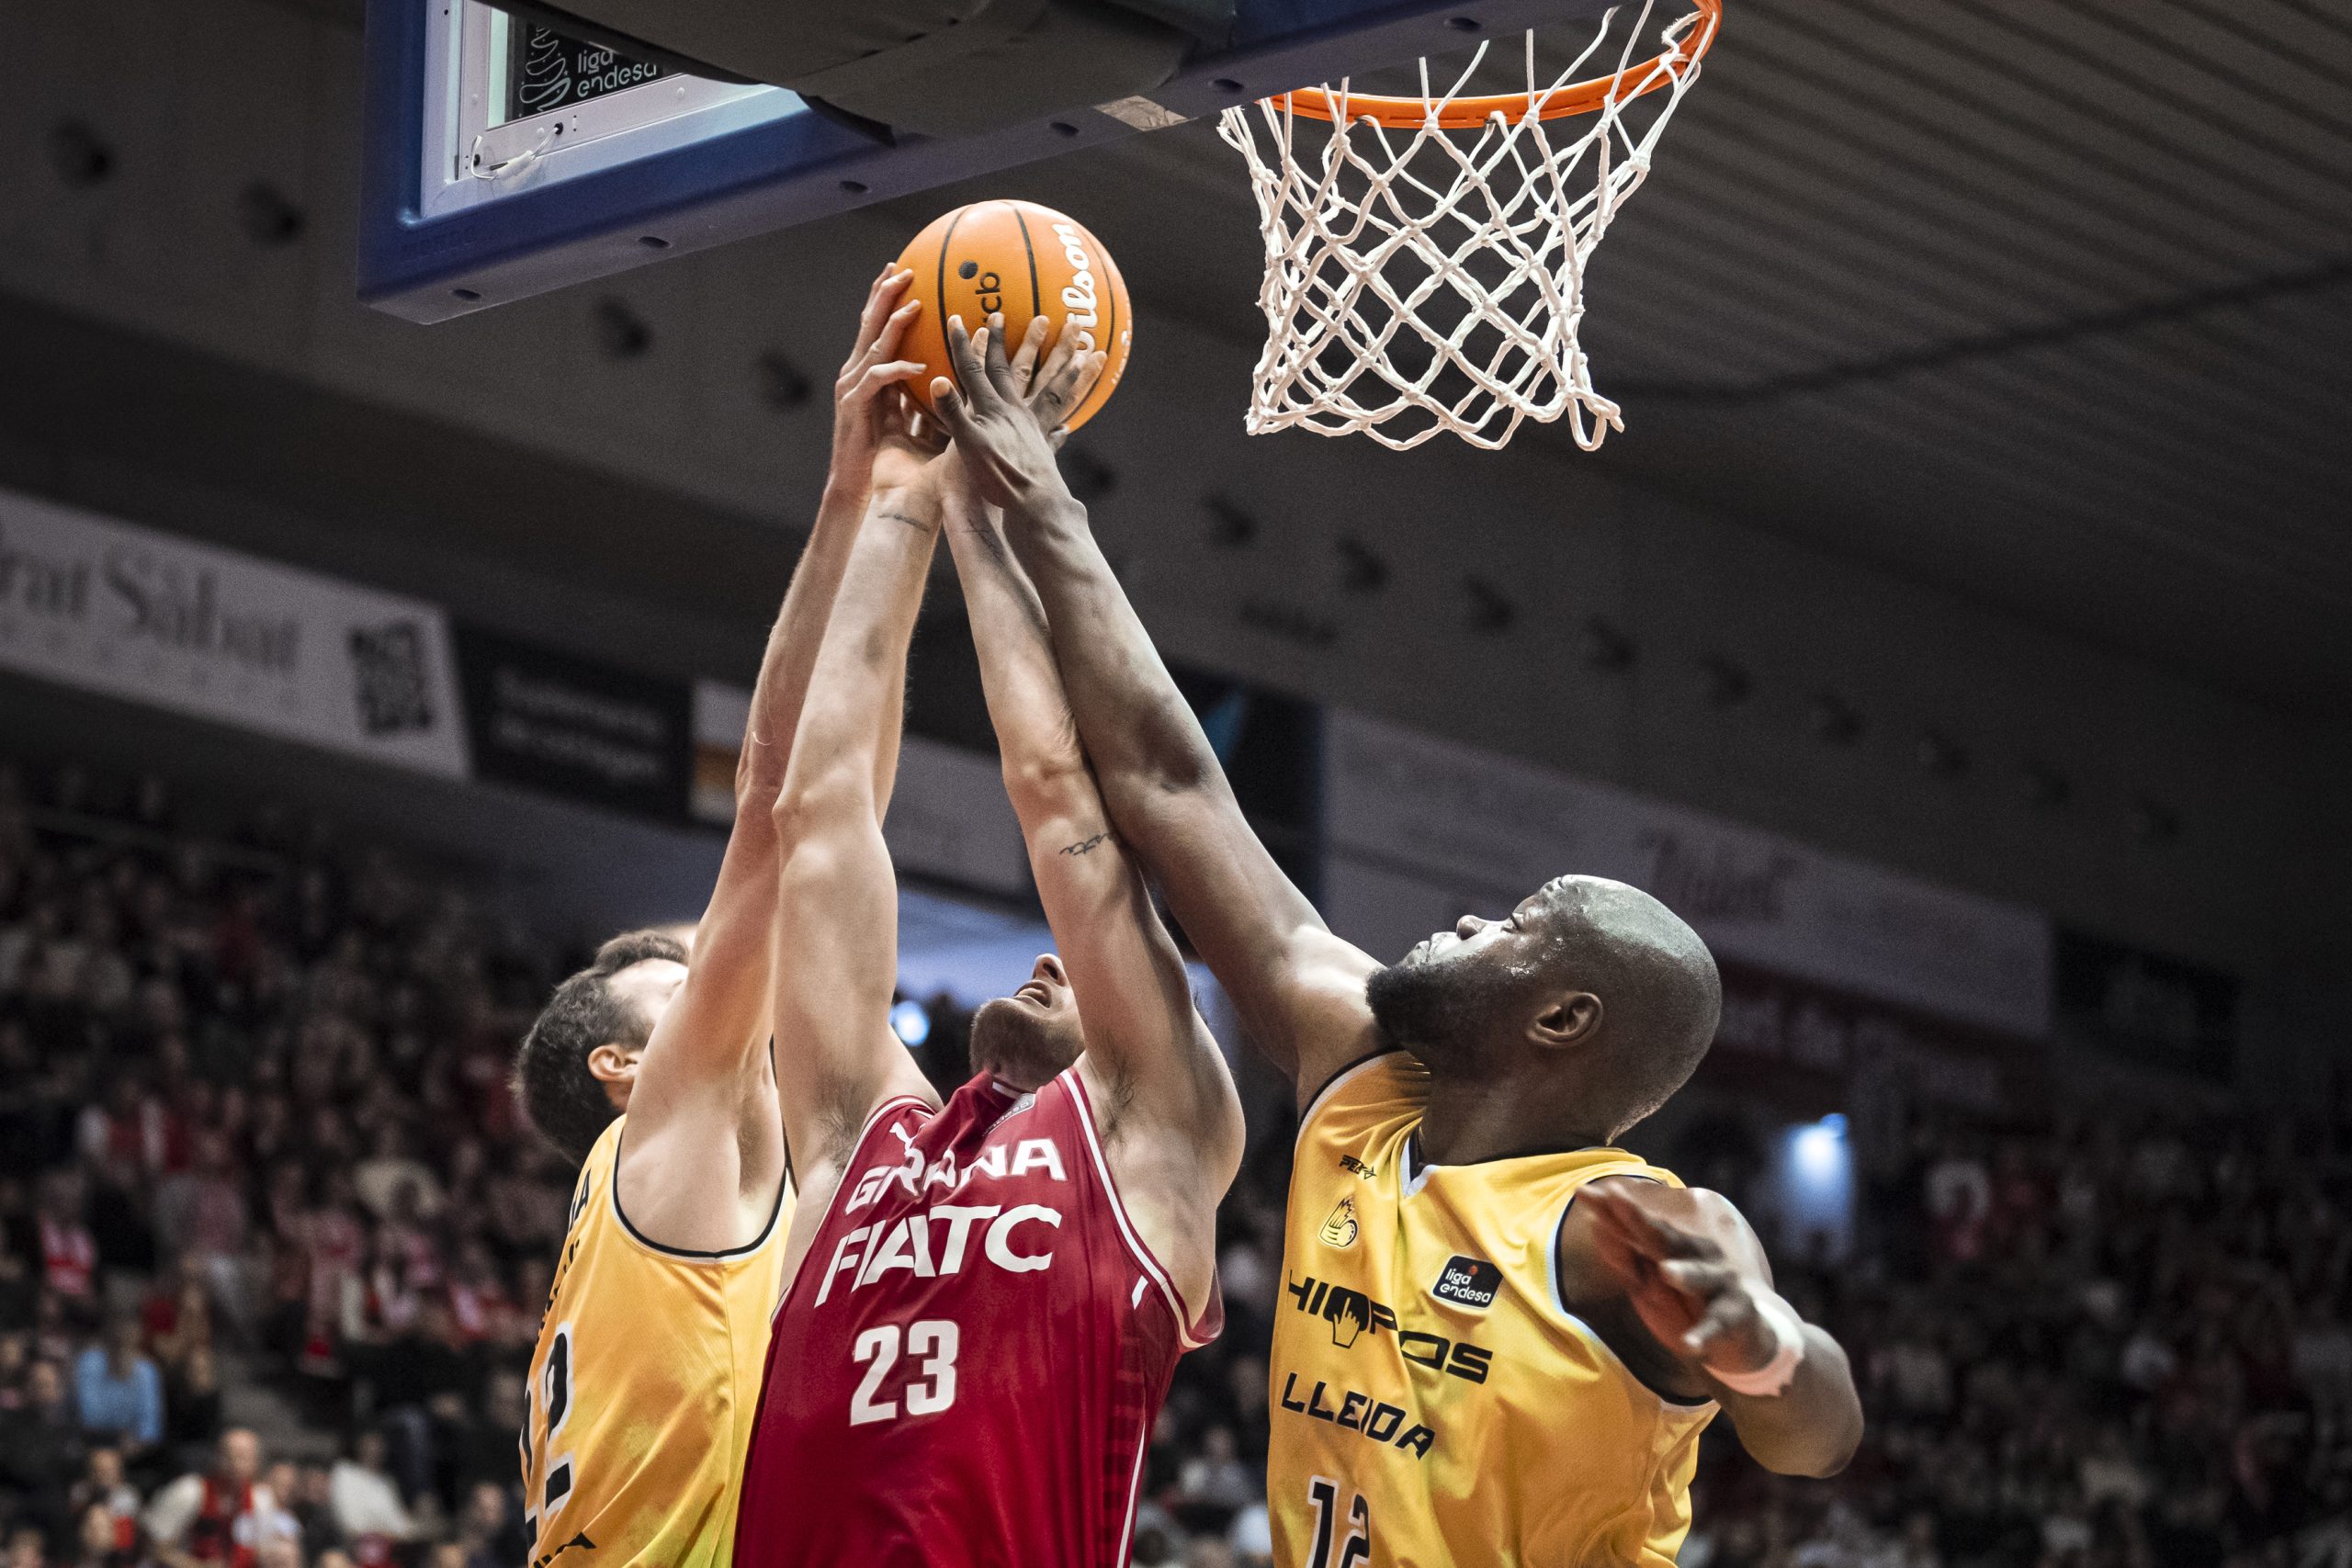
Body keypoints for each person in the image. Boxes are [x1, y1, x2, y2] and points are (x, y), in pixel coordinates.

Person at [933, 311, 1867, 1565]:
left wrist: (1768, 1347)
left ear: (1561, 1018)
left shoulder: (1612, 1221)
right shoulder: (1361, 1071)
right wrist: (1045, 505)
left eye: (1518, 923)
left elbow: (1816, 1433)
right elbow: (1168, 783)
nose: (1477, 916)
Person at [731, 320, 1243, 1566]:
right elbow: (818, 810)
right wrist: (892, 492)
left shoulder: (1153, 1133)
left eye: (1080, 969)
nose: (1052, 958)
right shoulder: (859, 1134)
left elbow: (1061, 794)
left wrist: (979, 512)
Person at [503, 265, 938, 1568]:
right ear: (626, 1063)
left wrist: (892, 519)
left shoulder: (674, 1180)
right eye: (682, 980)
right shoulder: (670, 1142)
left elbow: (829, 813)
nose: (717, 978)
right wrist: (869, 496)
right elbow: (777, 801)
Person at [145, 1428, 277, 1568]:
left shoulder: (261, 1500)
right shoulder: (189, 1491)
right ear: (217, 1457)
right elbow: (152, 1546)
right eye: (229, 1455)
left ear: (255, 1462)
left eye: (243, 1457)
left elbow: (264, 1550)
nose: (234, 1463)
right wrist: (196, 1566)